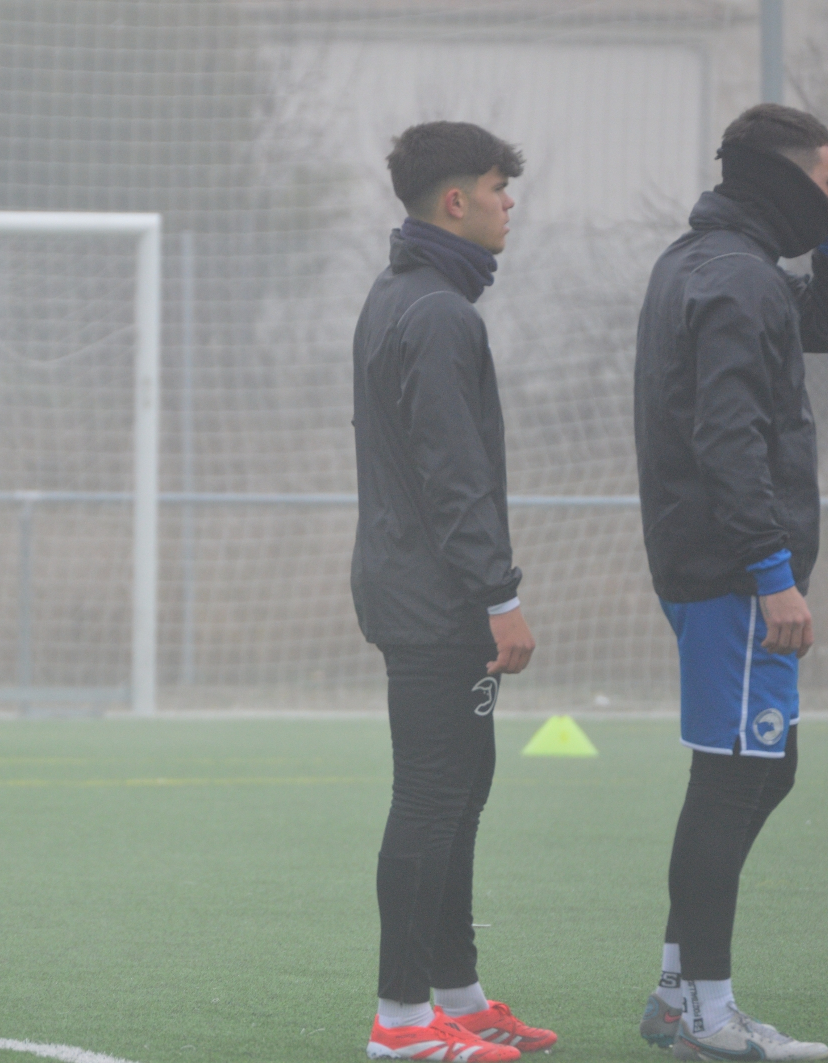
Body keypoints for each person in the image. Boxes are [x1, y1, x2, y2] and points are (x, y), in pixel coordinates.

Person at [350, 121, 554, 1062]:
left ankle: (455, 995)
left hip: (426, 591)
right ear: (455, 200)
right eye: (497, 186)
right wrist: (496, 592)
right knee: (432, 796)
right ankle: (399, 1024)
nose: (511, 201)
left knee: (462, 786)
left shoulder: (405, 296)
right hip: (436, 600)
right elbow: (449, 472)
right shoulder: (435, 311)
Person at [634, 103, 828, 1062]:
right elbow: (725, 439)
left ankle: (679, 992)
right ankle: (706, 1012)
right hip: (734, 576)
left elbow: (817, 325)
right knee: (735, 777)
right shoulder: (733, 279)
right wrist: (772, 574)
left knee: (761, 768)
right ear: (791, 174)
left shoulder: (709, 261)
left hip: (713, 567)